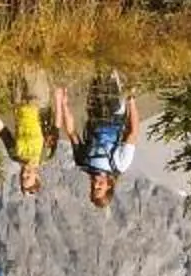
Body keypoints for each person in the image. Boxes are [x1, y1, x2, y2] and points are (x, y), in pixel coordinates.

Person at [52, 72, 139, 209]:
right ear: (109, 186)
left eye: (93, 189)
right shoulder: (120, 165)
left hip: (93, 113)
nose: (95, 185)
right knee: (109, 70)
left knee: (97, 70)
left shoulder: (83, 162)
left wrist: (65, 105)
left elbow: (71, 132)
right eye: (99, 188)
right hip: (115, 112)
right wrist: (131, 99)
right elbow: (133, 133)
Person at [0, 66, 57, 195]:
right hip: (39, 104)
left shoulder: (15, 155)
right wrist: (59, 102)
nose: (24, 174)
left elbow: (4, 133)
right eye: (28, 178)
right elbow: (55, 127)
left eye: (22, 178)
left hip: (18, 103)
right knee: (35, 64)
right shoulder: (46, 154)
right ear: (37, 177)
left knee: (16, 65)